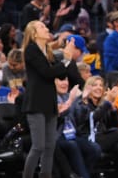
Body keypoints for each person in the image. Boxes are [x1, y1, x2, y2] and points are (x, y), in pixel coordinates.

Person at [21, 20, 70, 178]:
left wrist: (65, 61)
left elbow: (61, 75)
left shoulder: (47, 51)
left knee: (50, 146)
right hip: (36, 102)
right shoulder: (31, 50)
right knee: (38, 146)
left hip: (50, 102)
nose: (46, 28)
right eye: (42, 27)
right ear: (34, 33)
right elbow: (46, 73)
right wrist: (66, 60)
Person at [55, 77, 101, 178]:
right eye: (61, 80)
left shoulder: (69, 96)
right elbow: (58, 118)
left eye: (66, 80)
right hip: (57, 136)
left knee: (95, 148)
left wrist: (83, 101)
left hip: (72, 134)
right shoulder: (50, 98)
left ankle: (83, 175)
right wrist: (72, 100)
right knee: (72, 145)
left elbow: (79, 119)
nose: (65, 83)